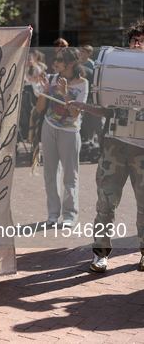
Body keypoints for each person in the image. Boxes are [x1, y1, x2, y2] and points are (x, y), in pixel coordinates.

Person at [68, 19, 144, 273]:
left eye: (142, 41)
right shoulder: (117, 71)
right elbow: (106, 108)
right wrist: (83, 106)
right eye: (134, 41)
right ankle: (100, 253)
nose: (137, 44)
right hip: (114, 146)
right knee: (105, 203)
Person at [36, 47, 88, 227]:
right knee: (50, 173)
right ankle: (52, 215)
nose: (55, 63)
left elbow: (75, 114)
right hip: (49, 127)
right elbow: (40, 109)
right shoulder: (51, 78)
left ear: (71, 63)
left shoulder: (82, 84)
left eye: (59, 60)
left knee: (69, 175)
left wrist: (65, 92)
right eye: (54, 59)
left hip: (70, 131)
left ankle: (69, 216)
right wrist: (45, 90)